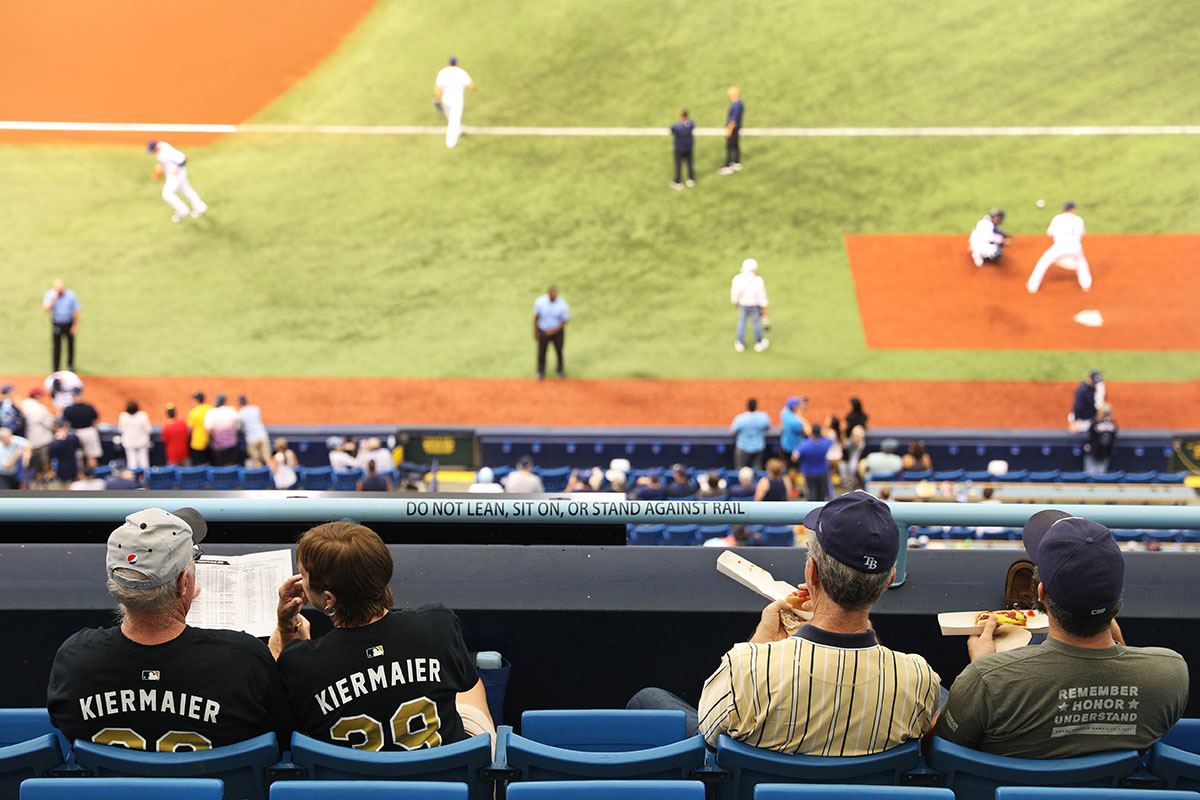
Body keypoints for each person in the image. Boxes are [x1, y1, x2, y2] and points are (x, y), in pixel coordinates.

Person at [630, 491, 938, 751]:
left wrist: (760, 646)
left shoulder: (746, 668)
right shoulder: (919, 680)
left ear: (812, 572)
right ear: (889, 581)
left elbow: (708, 737)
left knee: (647, 700)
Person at [936, 509, 1188, 758]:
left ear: (1041, 594)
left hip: (1009, 789)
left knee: (934, 690)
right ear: (1116, 600)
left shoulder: (985, 678)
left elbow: (938, 751)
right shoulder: (1171, 673)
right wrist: (1116, 637)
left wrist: (984, 666)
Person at [47, 507, 290, 747]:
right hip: (215, 787)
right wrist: (279, 656)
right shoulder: (244, 659)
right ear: (185, 581)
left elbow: (64, 725)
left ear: (113, 579)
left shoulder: (75, 659)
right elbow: (282, 735)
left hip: (111, 788)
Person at [271, 522, 493, 749]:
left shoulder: (300, 663)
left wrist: (286, 628)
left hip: (353, 784)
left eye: (304, 576)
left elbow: (290, 719)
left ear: (329, 598)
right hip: (443, 781)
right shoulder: (438, 625)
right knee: (468, 683)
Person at [1026, 202, 1092, 293]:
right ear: (1073, 209)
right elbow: (1082, 234)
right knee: (1082, 262)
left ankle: (1032, 286)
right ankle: (1086, 285)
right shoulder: (1079, 220)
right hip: (1075, 247)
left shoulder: (1057, 218)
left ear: (1065, 209)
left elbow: (1050, 233)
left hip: (1059, 247)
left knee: (1043, 262)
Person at [147, 140, 207, 222]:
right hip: (175, 174)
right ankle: (200, 207)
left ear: (156, 147)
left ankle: (183, 210)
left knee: (166, 194)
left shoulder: (166, 151)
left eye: (153, 150)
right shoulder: (161, 145)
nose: (153, 152)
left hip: (176, 175)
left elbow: (183, 158)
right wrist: (161, 168)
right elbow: (166, 162)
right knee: (187, 190)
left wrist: (177, 169)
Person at [434, 56, 475, 149]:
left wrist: (436, 99)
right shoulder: (461, 72)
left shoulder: (443, 72)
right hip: (456, 100)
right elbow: (471, 86)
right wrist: (474, 88)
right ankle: (451, 143)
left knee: (451, 118)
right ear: (456, 63)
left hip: (446, 100)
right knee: (454, 120)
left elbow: (438, 88)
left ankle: (459, 129)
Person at [730, 258, 769, 352]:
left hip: (743, 304)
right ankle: (759, 343)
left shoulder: (737, 278)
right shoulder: (758, 280)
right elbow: (762, 296)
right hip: (755, 306)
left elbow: (735, 294)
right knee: (756, 323)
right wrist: (764, 309)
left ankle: (740, 343)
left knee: (742, 322)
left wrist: (735, 303)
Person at [42, 279, 81, 372]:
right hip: (57, 323)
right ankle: (56, 368)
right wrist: (53, 299)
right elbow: (46, 309)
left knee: (70, 346)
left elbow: (76, 311)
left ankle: (70, 366)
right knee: (57, 347)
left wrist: (75, 325)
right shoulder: (50, 295)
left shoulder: (71, 295)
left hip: (68, 323)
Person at [532, 286, 570, 380]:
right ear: (549, 294)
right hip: (543, 330)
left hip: (557, 332)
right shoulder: (540, 302)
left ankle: (560, 370)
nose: (554, 295)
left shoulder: (562, 304)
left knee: (559, 351)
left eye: (555, 293)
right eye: (552, 293)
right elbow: (536, 317)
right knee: (541, 352)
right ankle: (540, 371)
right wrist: (535, 331)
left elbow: (564, 321)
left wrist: (553, 331)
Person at [19, 388, 55, 479]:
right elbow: (50, 424)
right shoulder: (41, 409)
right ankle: (46, 474)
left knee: (30, 458)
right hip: (42, 438)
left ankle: (30, 475)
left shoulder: (25, 403)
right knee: (45, 458)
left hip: (28, 437)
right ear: (37, 396)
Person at [62, 387, 101, 467]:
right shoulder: (89, 407)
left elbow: (65, 424)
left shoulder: (68, 409)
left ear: (73, 396)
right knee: (91, 457)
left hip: (75, 434)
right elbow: (96, 420)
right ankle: (93, 476)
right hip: (89, 432)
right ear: (81, 395)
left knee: (78, 458)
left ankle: (80, 477)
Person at [730, 398, 771, 469]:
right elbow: (767, 428)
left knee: (740, 471)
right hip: (758, 448)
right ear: (756, 406)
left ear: (747, 407)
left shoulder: (740, 418)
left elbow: (732, 432)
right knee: (757, 471)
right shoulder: (763, 417)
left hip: (743, 448)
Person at [796, 424, 832, 501]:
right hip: (822, 471)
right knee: (821, 494)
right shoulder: (826, 443)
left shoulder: (805, 444)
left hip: (809, 472)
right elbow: (830, 439)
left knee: (811, 492)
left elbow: (795, 456)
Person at [204, 394, 241, 466]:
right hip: (232, 445)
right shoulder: (231, 410)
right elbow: (237, 427)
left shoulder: (211, 413)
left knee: (220, 468)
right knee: (231, 466)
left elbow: (208, 431)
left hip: (218, 447)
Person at [117, 399, 153, 470]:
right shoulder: (143, 416)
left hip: (129, 443)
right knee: (144, 463)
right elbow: (149, 430)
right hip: (142, 442)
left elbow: (120, 430)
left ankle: (132, 480)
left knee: (132, 464)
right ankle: (145, 479)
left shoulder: (123, 416)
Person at [778, 396, 811, 469]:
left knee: (787, 463)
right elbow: (808, 432)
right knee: (794, 468)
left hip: (785, 443)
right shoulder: (796, 423)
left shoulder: (784, 412)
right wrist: (803, 419)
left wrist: (803, 408)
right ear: (794, 407)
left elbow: (796, 415)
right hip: (794, 448)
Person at [238, 395, 271, 466]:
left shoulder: (240, 414)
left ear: (239, 403)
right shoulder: (255, 409)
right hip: (262, 436)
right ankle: (271, 476)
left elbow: (240, 428)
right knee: (268, 459)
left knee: (257, 461)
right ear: (246, 401)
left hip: (251, 440)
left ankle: (260, 476)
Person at [1084, 404, 1118, 474]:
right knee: (1101, 474)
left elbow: (1089, 437)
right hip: (1106, 452)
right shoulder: (1113, 424)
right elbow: (1114, 437)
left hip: (1094, 452)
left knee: (1090, 474)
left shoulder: (1095, 423)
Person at [717, 87, 744, 175]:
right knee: (736, 145)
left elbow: (733, 120)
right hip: (737, 128)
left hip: (733, 128)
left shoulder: (735, 105)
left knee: (729, 147)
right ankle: (736, 162)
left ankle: (728, 166)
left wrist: (729, 130)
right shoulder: (740, 103)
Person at [47, 420, 82, 487]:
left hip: (60, 469)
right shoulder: (73, 438)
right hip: (73, 467)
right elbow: (78, 447)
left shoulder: (54, 443)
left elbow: (51, 455)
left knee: (62, 485)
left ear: (56, 427)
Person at [669, 108, 696, 190]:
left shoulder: (677, 126)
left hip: (679, 148)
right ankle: (691, 179)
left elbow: (672, 130)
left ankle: (678, 181)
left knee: (678, 165)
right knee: (689, 163)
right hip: (689, 147)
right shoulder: (691, 123)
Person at [186, 392, 213, 465]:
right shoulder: (210, 409)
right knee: (208, 463)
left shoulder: (193, 412)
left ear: (196, 400)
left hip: (197, 443)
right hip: (209, 442)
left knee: (198, 464)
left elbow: (190, 429)